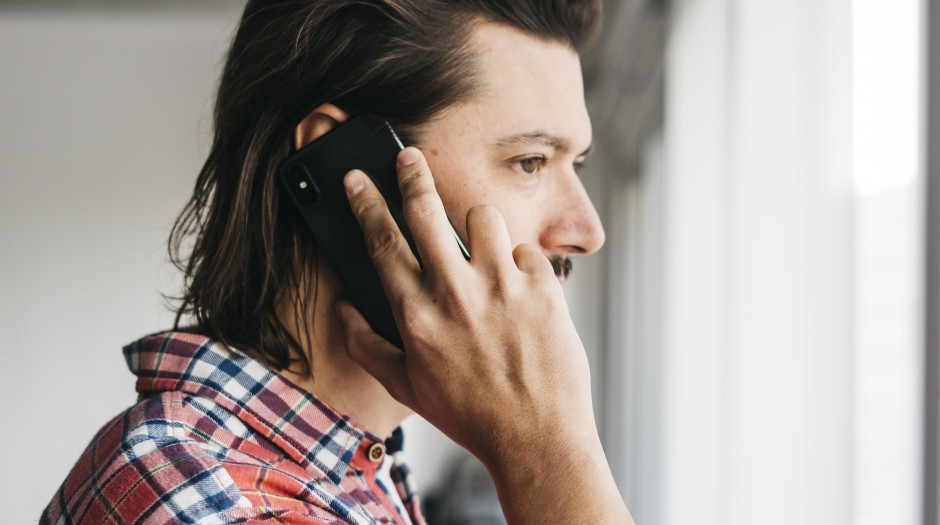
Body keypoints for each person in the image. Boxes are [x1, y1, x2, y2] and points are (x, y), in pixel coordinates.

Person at [41, 0, 633, 523]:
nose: (587, 232)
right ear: (349, 171)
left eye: (575, 165)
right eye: (530, 161)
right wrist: (546, 453)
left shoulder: (357, 473)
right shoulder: (205, 499)